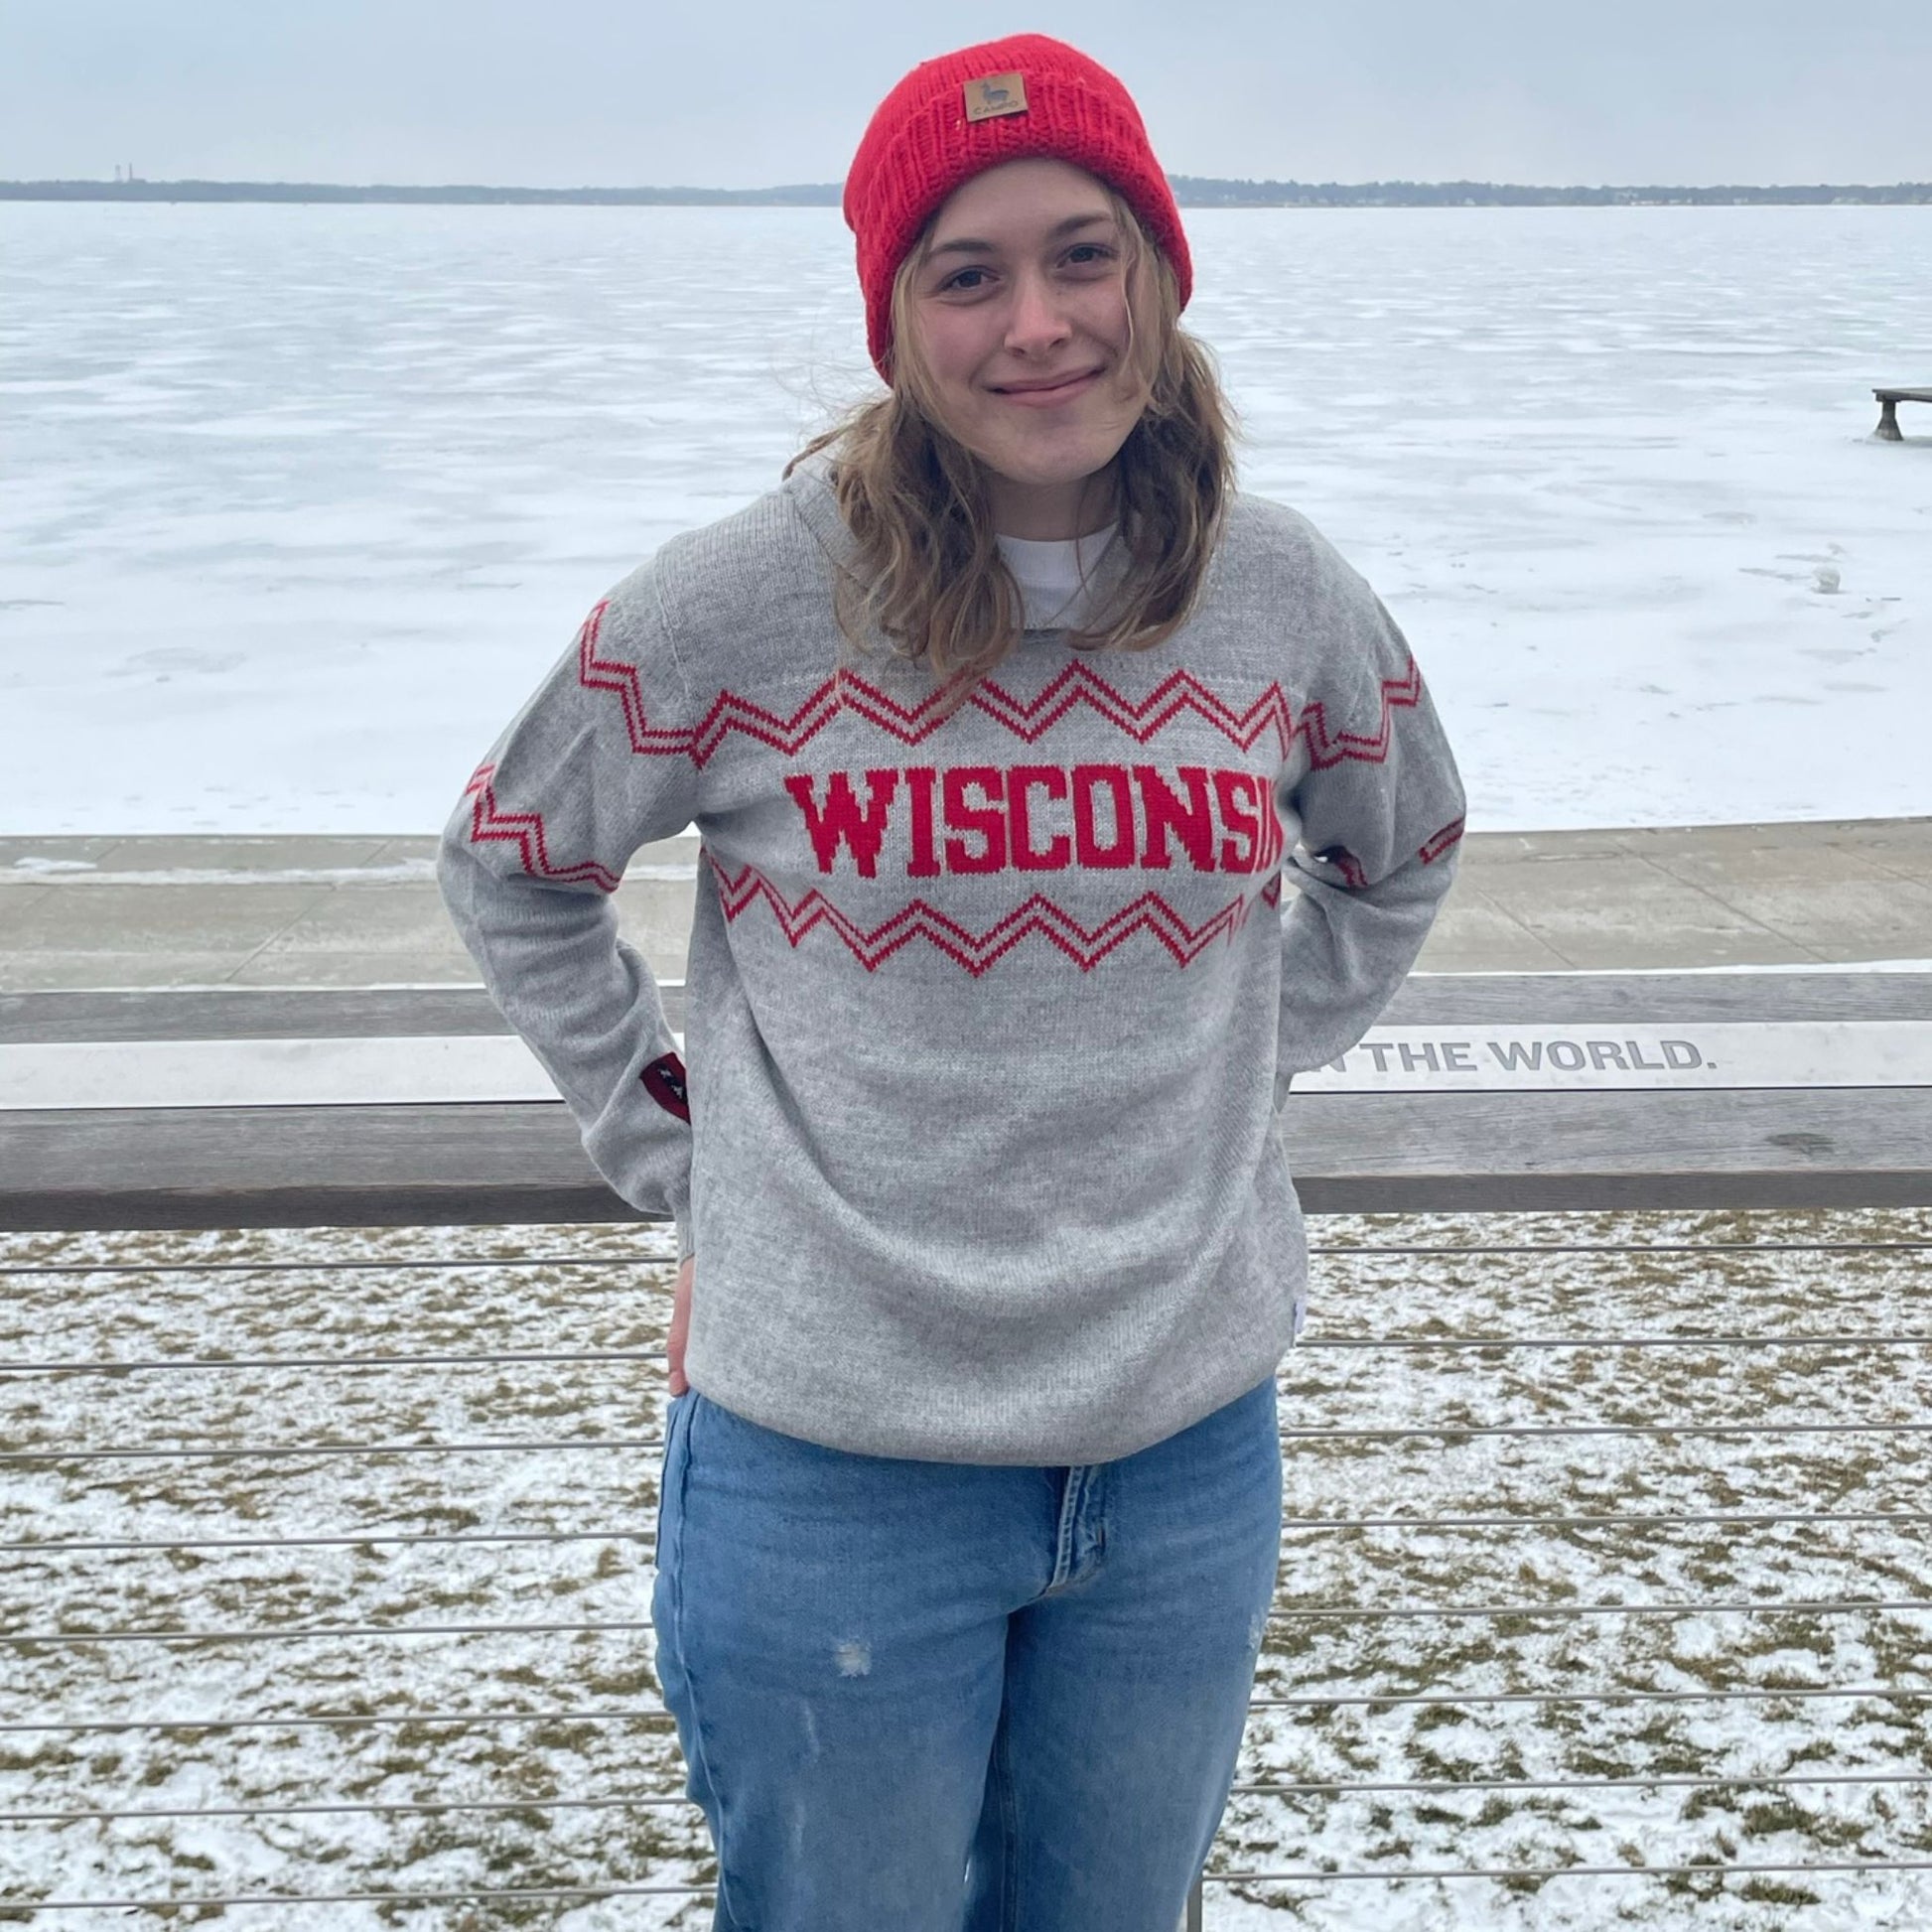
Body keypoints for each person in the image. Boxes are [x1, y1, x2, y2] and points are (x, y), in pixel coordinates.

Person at [437, 31, 1465, 1931]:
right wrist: (678, 1141)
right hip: (832, 1463)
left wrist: (1236, 1054)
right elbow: (512, 866)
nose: (1037, 325)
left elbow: (1398, 851)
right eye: (965, 273)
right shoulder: (737, 599)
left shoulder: (1283, 590)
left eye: (1082, 254)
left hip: (1180, 1449)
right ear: (894, 318)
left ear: (1156, 274)